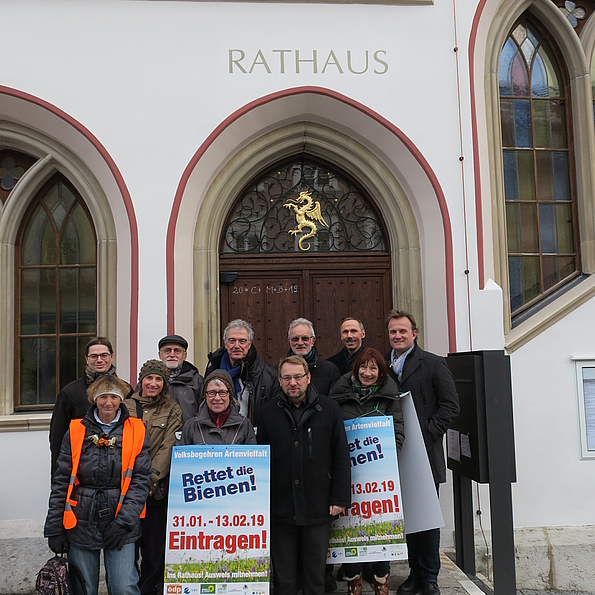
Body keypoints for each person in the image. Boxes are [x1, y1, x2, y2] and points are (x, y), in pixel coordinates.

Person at [44, 375, 151, 595]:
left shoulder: (137, 429)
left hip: (120, 519)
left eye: (114, 396)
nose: (108, 402)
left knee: (124, 587)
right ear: (94, 399)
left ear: (121, 399)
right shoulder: (75, 431)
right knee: (83, 587)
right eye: (103, 397)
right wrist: (54, 528)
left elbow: (140, 480)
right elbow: (62, 479)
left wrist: (124, 522)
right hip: (81, 519)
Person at [257, 355, 351, 595]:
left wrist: (339, 498)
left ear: (308, 378)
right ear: (279, 380)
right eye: (287, 377)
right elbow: (261, 461)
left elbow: (340, 454)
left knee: (315, 578)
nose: (293, 382)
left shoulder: (329, 408)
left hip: (317, 505)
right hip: (280, 506)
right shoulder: (267, 412)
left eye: (298, 376)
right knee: (284, 579)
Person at [384, 311, 459, 595]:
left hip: (425, 454)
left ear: (414, 333)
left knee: (426, 518)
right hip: (395, 455)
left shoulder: (433, 364)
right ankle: (414, 573)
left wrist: (425, 433)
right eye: (393, 332)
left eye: (403, 331)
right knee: (409, 518)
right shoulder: (384, 365)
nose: (398, 336)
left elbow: (451, 406)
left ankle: (429, 578)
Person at [329, 347, 405, 595]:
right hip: (348, 478)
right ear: (355, 369)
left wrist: (384, 455)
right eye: (364, 367)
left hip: (379, 481)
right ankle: (354, 586)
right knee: (350, 531)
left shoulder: (390, 398)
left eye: (374, 368)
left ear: (381, 372)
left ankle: (381, 586)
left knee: (380, 535)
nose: (368, 372)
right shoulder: (338, 396)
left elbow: (399, 433)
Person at [124, 360, 183, 595]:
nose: (153, 383)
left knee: (153, 549)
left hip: (154, 492)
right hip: (126, 491)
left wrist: (150, 478)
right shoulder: (125, 406)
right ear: (141, 380)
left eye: (158, 379)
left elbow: (168, 447)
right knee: (128, 549)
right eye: (149, 378)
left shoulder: (172, 409)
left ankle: (148, 589)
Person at [49, 337, 132, 476]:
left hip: (118, 470)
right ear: (87, 359)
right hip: (82, 470)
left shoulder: (126, 390)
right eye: (94, 356)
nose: (99, 360)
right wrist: (58, 477)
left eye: (104, 355)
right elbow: (57, 438)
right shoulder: (70, 393)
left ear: (111, 356)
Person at [205, 319, 278, 427]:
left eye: (242, 341)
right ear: (225, 344)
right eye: (232, 341)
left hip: (251, 438)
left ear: (249, 344)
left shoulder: (267, 376)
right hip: (217, 438)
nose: (237, 346)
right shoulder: (213, 371)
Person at [180, 369, 257, 445]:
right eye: (212, 393)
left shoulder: (244, 425)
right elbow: (181, 456)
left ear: (230, 396)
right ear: (205, 396)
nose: (217, 398)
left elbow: (253, 456)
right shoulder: (191, 426)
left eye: (222, 392)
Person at [158, 334, 204, 425]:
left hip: (188, 436)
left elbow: (204, 413)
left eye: (177, 351)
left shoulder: (197, 381)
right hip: (156, 437)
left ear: (185, 355)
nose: (172, 355)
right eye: (167, 351)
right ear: (160, 354)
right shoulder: (149, 381)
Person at [288, 318, 340, 396]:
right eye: (295, 339)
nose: (300, 343)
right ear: (289, 341)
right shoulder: (278, 371)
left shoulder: (329, 370)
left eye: (305, 338)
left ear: (313, 340)